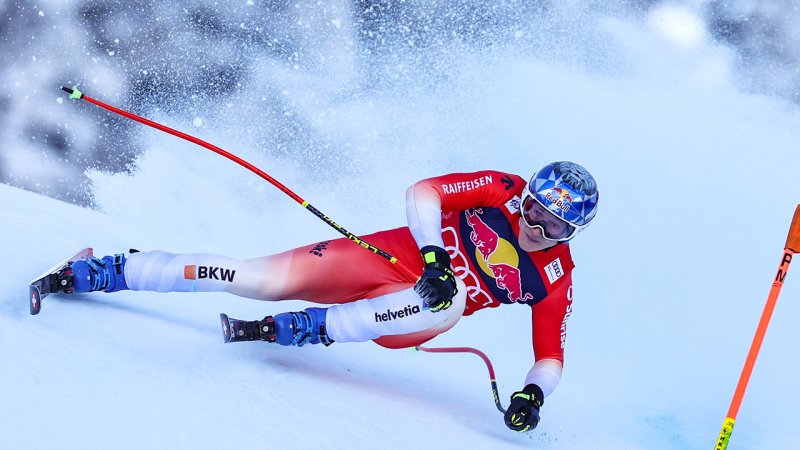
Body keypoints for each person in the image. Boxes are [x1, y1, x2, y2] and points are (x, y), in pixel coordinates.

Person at [59, 161, 598, 433]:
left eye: (556, 227)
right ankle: (108, 270)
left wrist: (533, 395)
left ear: (571, 236)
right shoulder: (500, 188)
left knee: (448, 301)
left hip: (404, 317)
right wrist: (433, 256)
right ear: (524, 196)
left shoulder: (554, 275)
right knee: (256, 279)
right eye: (533, 212)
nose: (536, 229)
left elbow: (551, 356)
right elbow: (423, 192)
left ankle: (317, 327)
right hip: (379, 258)